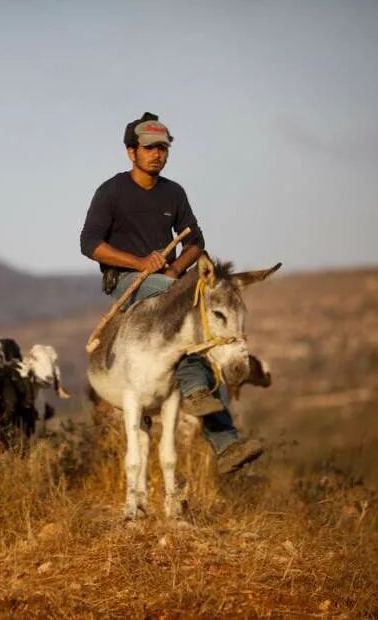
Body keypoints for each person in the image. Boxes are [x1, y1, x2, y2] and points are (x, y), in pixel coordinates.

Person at [79, 112, 263, 474]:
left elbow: (196, 242)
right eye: (149, 148)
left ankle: (227, 445)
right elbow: (90, 244)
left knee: (206, 342)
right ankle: (200, 397)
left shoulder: (174, 192)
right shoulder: (111, 191)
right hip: (127, 283)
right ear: (131, 152)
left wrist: (177, 269)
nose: (157, 154)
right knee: (184, 316)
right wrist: (138, 262)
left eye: (162, 148)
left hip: (169, 282)